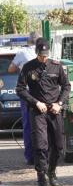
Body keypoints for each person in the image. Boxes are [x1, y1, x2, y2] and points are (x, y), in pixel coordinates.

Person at [16, 38, 71, 186]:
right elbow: (20, 89)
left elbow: (66, 86)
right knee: (40, 146)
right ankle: (41, 180)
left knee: (59, 145)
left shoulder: (56, 66)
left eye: (46, 55)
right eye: (41, 55)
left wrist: (59, 103)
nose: (44, 58)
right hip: (37, 112)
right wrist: (35, 102)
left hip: (54, 111)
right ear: (36, 53)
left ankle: (51, 171)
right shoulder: (28, 67)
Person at [8, 32, 40, 165]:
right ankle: (44, 154)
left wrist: (20, 68)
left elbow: (10, 69)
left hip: (27, 94)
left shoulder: (22, 53)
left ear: (28, 41)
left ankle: (30, 157)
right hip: (43, 93)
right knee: (43, 124)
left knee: (28, 125)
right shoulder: (45, 52)